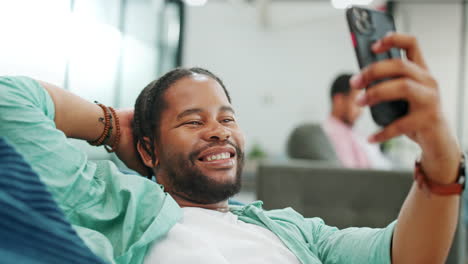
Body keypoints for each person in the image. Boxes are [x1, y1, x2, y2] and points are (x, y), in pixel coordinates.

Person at [0, 33, 462, 264]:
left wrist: (442, 157)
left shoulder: (291, 231)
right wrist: (113, 127)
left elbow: (405, 254)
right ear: (149, 148)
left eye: (227, 118)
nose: (220, 132)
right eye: (193, 121)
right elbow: (10, 100)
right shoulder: (113, 204)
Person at [322, 73, 392, 169]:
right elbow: (354, 175)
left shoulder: (353, 133)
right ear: (339, 100)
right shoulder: (331, 134)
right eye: (357, 103)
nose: (360, 111)